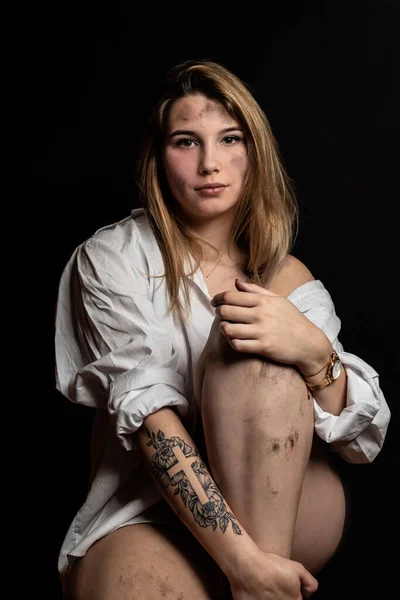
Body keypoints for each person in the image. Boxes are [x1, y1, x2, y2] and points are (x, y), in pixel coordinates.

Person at [55, 59, 391, 600]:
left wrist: (311, 352)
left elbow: (359, 442)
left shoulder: (288, 276)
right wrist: (245, 568)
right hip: (155, 513)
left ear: (254, 153)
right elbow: (151, 424)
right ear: (159, 158)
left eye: (229, 139)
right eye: (186, 142)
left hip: (289, 506)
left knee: (259, 336)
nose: (210, 163)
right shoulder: (112, 257)